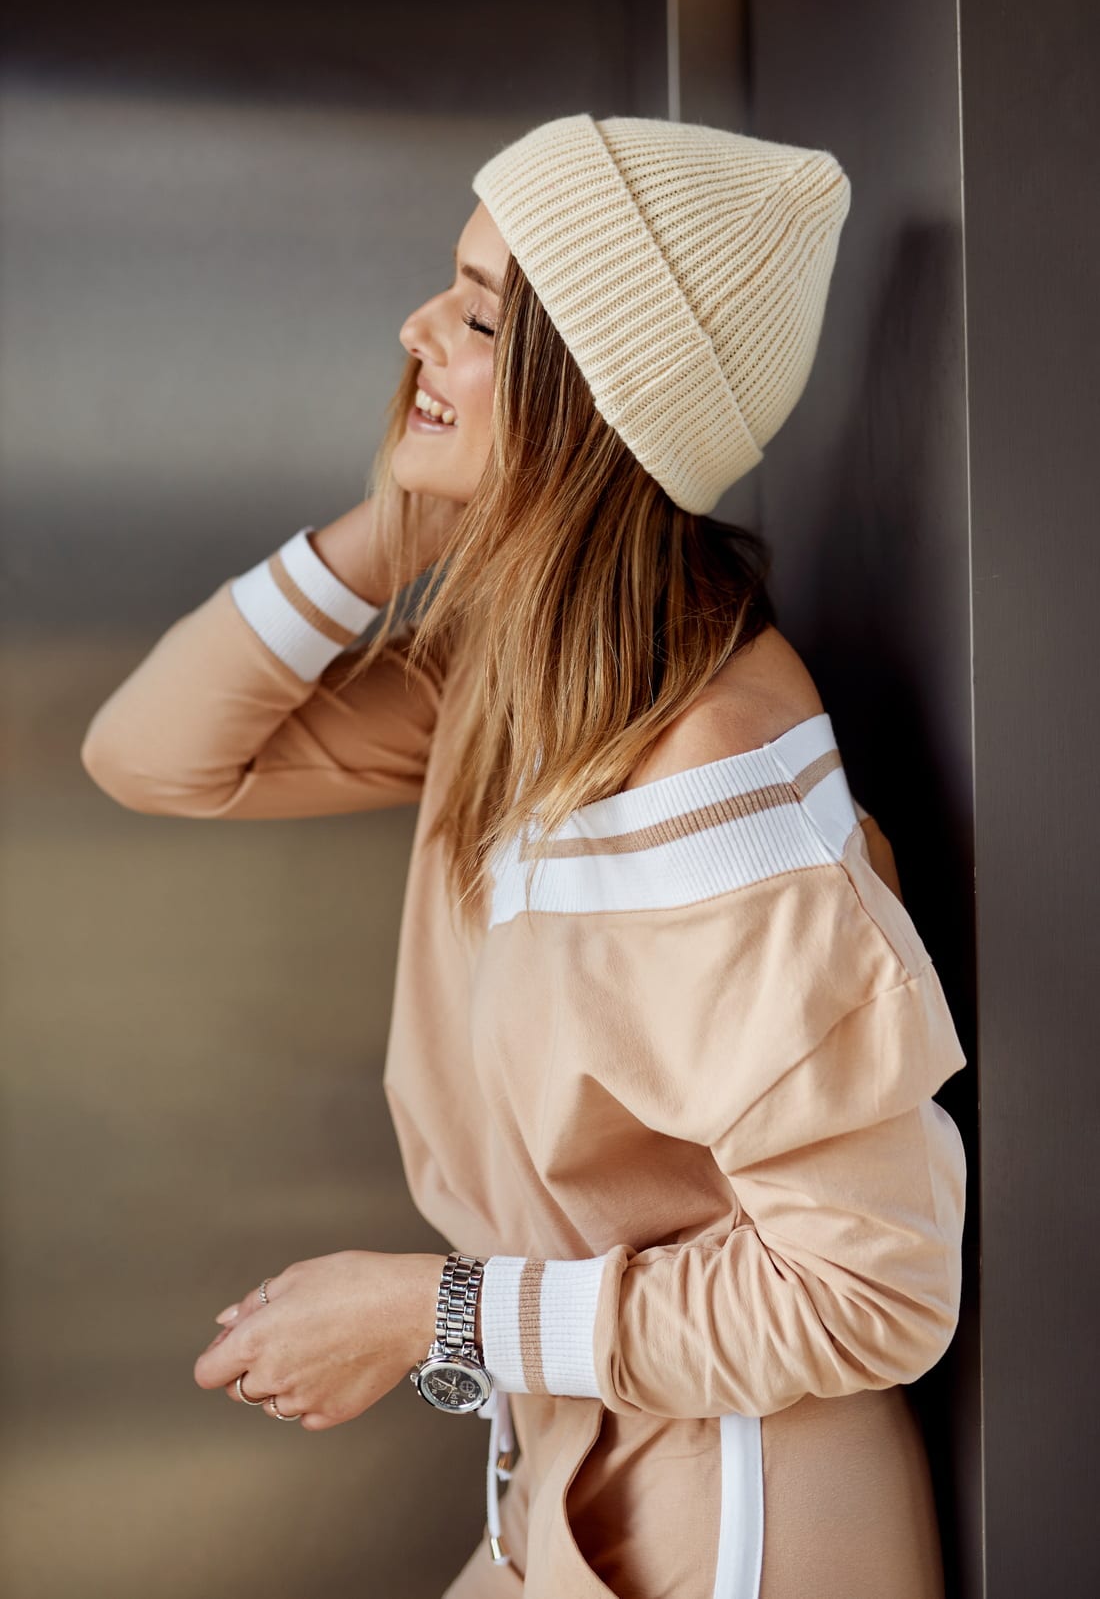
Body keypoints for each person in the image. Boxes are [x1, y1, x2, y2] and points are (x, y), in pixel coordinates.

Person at [80, 113, 968, 1599]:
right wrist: (401, 518)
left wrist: (435, 1315)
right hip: (582, 1477)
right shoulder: (519, 694)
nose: (419, 327)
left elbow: (871, 1286)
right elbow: (153, 751)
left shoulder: (712, 776)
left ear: (597, 396)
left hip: (744, 1515)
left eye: (482, 314)